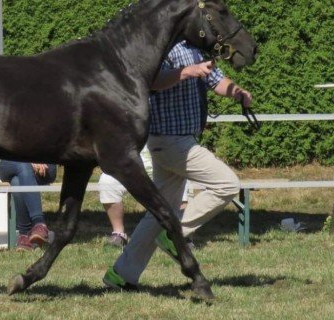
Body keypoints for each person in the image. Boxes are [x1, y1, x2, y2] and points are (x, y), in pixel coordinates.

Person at [103, 40, 252, 290]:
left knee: (160, 213)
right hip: (170, 142)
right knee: (227, 184)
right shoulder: (159, 46)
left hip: (181, 140)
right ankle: (176, 235)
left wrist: (237, 91)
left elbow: (216, 80)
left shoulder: (194, 46)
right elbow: (151, 82)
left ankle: (121, 274)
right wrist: (187, 72)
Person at [99, 150, 191, 249]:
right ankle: (119, 234)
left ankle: (181, 235)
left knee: (182, 184)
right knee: (107, 181)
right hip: (131, 165)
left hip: (166, 165)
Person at [0, 160, 57, 251]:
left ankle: (24, 235)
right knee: (23, 165)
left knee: (16, 181)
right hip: (10, 162)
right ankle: (39, 223)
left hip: (45, 163)